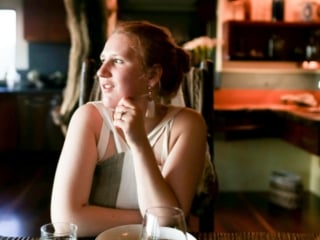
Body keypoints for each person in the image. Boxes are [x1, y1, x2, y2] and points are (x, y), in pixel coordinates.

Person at [50, 20, 213, 237]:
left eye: (117, 61)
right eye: (102, 60)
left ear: (152, 76)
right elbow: (65, 222)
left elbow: (169, 224)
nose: (101, 72)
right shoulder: (88, 119)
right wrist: (150, 220)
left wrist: (138, 142)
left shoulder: (188, 125)